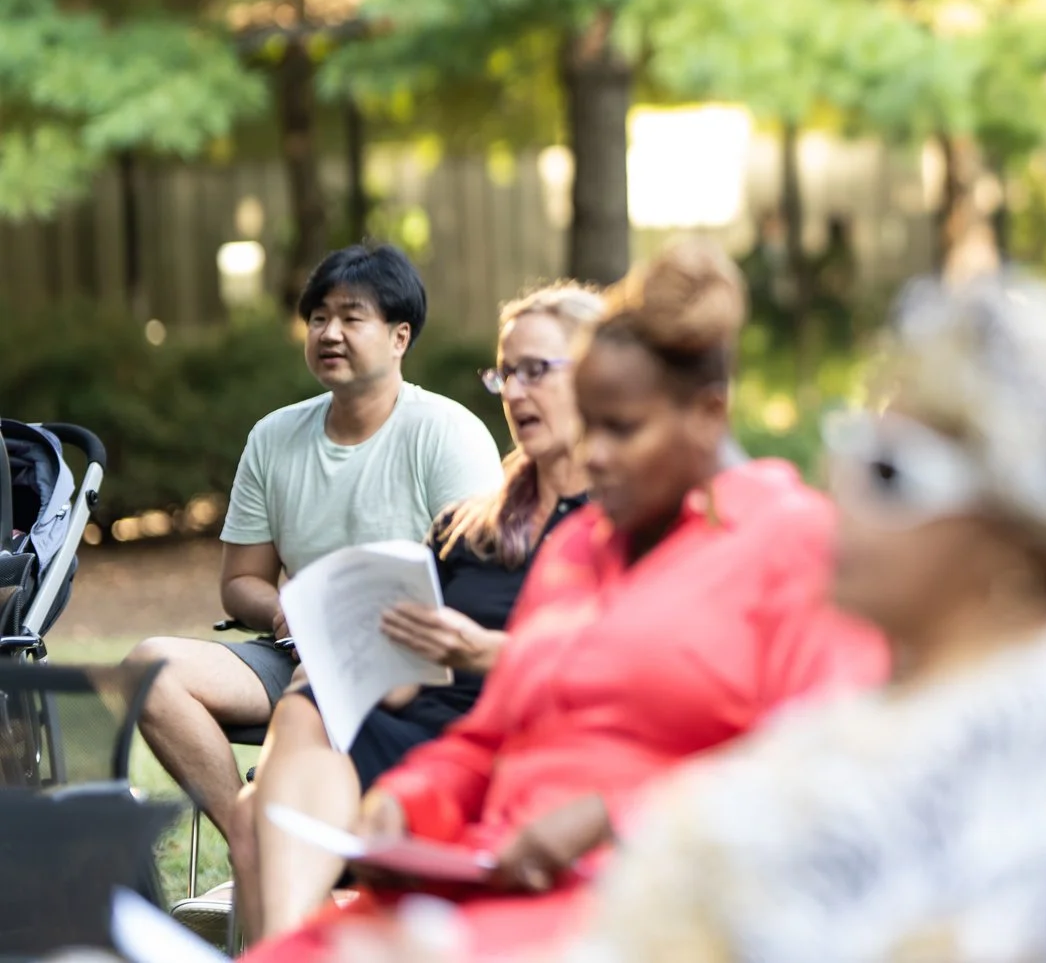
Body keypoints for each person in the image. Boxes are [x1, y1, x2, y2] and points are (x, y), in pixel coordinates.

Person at [239, 241, 887, 963]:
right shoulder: (580, 546)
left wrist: (611, 816)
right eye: (590, 423)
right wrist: (411, 799)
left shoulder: (792, 540)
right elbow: (488, 740)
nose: (596, 454)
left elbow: (833, 760)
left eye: (621, 428)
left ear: (707, 415)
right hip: (493, 867)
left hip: (642, 892)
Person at [577, 275, 1046, 963]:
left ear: (1019, 525)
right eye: (856, 448)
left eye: (892, 472)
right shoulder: (908, 704)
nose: (843, 487)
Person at [127, 243, 503, 906]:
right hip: (295, 652)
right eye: (318, 316)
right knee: (149, 666)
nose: (329, 332)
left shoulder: (447, 433)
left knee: (320, 686)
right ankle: (248, 835)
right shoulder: (275, 436)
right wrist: (285, 608)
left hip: (410, 662)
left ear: (399, 335)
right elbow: (240, 580)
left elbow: (476, 584)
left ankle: (323, 864)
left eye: (351, 317)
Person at [241, 283, 601, 943]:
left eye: (536, 370)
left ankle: (281, 948)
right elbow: (406, 672)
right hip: (423, 718)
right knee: (306, 701)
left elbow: (622, 662)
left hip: (516, 734)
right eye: (506, 372)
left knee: (253, 813)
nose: (516, 392)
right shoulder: (476, 521)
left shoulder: (625, 518)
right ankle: (286, 944)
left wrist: (483, 649)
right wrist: (357, 643)